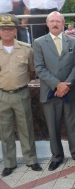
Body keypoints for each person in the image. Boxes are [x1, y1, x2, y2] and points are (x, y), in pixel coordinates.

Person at [33, 11, 75, 171]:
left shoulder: (72, 41)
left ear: (63, 23)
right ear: (47, 23)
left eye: (58, 21)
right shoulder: (39, 42)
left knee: (73, 124)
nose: (55, 24)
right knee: (53, 126)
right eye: (51, 21)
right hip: (50, 92)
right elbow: (39, 68)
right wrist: (57, 84)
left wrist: (67, 84)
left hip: (68, 91)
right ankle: (57, 156)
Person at [0, 14, 42, 177]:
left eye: (10, 28)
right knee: (5, 130)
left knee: (26, 127)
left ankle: (31, 160)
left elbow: (32, 71)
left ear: (15, 31)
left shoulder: (26, 49)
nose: (7, 31)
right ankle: (9, 163)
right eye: (3, 29)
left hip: (21, 93)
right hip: (2, 95)